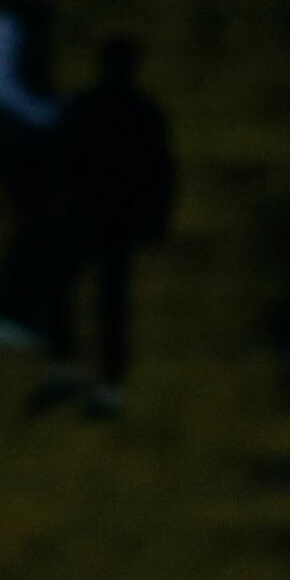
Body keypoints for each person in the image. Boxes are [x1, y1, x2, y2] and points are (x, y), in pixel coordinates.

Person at [51, 35, 176, 417]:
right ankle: (108, 385)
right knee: (110, 303)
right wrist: (154, 221)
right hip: (120, 219)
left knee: (63, 286)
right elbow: (162, 173)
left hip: (90, 214)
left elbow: (63, 159)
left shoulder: (87, 107)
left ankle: (73, 366)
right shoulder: (144, 112)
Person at [0, 0, 68, 350]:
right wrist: (48, 116)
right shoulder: (5, 20)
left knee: (40, 225)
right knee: (36, 224)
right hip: (14, 141)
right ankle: (11, 313)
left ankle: (22, 314)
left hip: (26, 140)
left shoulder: (32, 19)